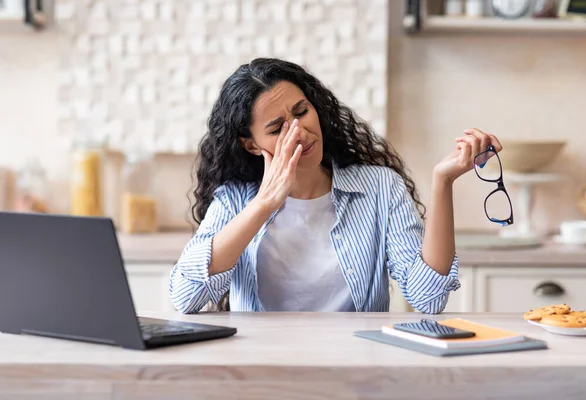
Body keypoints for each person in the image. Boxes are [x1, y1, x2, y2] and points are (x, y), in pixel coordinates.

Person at [168, 57, 503, 314]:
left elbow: (428, 298)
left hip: (358, 369)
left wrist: (443, 180)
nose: (299, 131)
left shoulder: (379, 189)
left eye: (302, 111)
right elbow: (185, 298)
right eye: (276, 129)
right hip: (261, 370)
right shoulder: (235, 200)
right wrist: (263, 205)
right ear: (251, 145)